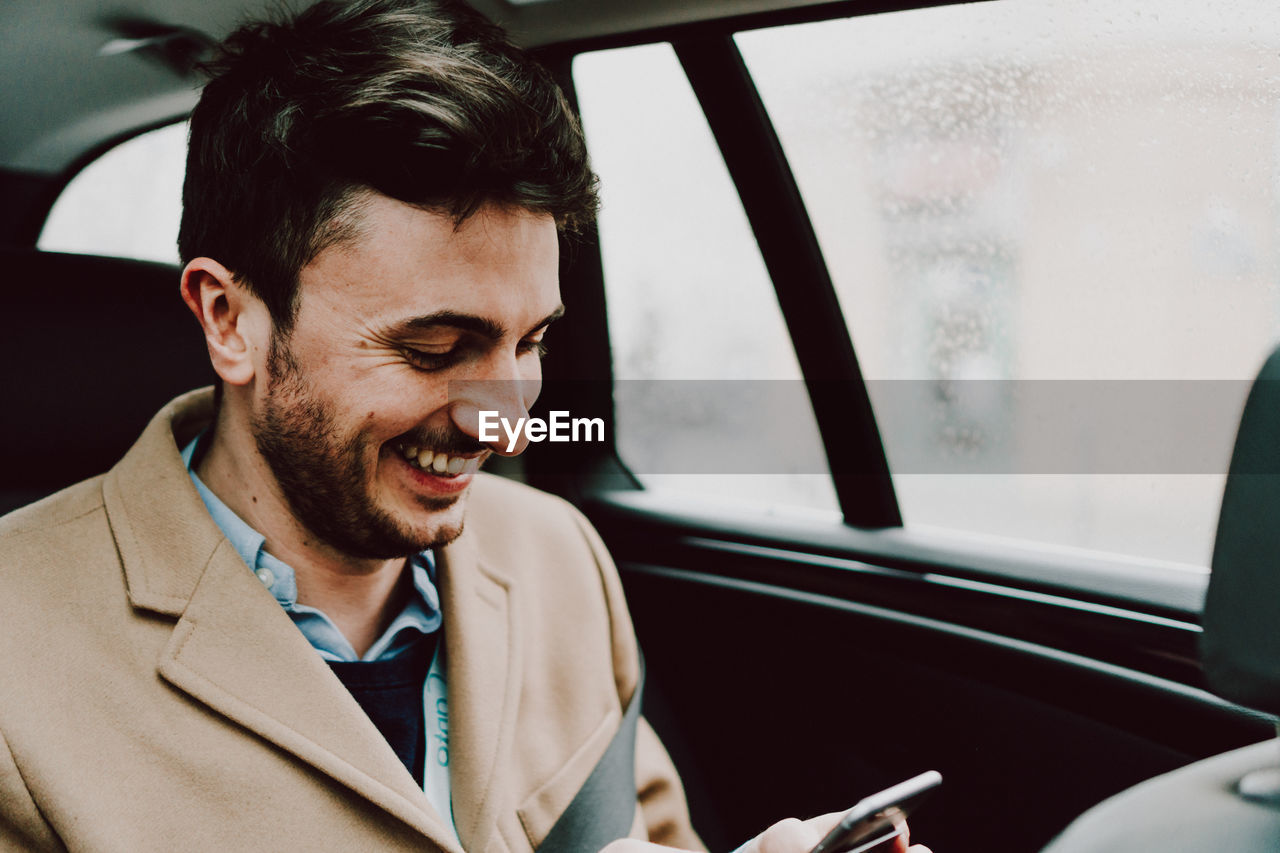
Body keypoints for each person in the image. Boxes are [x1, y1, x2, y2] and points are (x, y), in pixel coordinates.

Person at [0, 1, 929, 851]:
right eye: (437, 347)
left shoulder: (560, 557)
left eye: (532, 342)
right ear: (228, 319)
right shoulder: (17, 657)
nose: (505, 417)